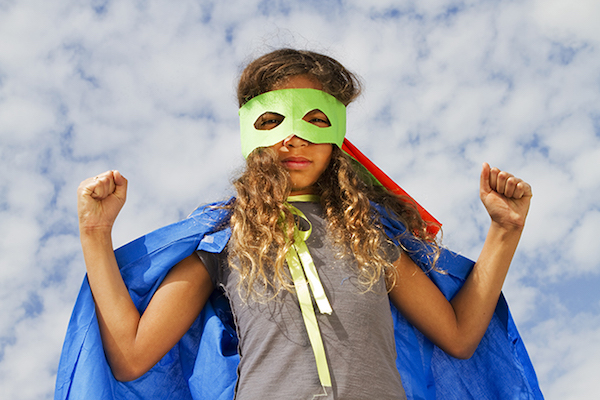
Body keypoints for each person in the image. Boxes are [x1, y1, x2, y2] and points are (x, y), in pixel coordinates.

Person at [67, 49, 538, 400]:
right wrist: (95, 232)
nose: (294, 136)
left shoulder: (369, 238)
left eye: (315, 119)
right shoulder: (222, 242)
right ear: (251, 135)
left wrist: (504, 231)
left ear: (337, 138)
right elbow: (131, 356)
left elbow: (458, 335)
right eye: (273, 120)